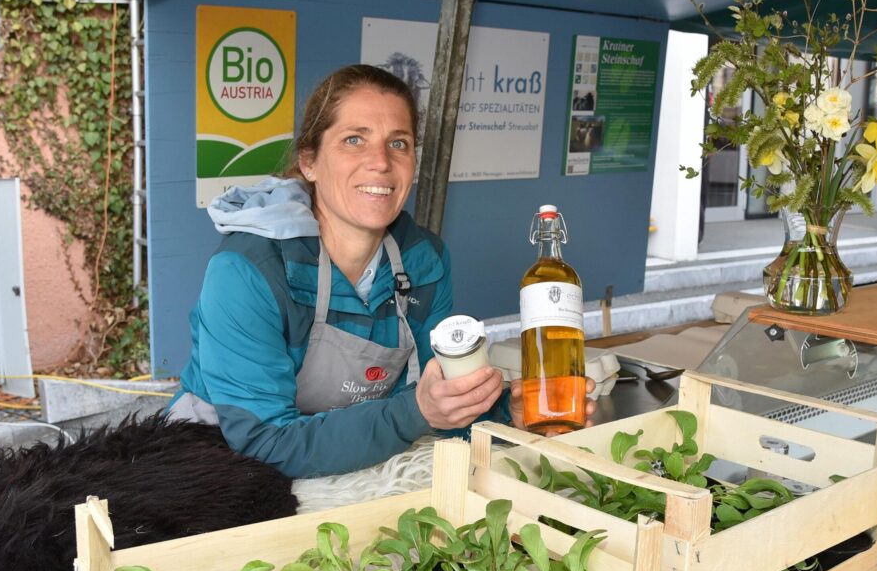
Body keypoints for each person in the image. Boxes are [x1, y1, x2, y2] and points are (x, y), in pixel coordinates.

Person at [170, 64, 594, 478]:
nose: (380, 162)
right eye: (354, 139)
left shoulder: (424, 261)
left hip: (355, 456)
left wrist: (504, 411)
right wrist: (414, 412)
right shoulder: (249, 270)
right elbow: (265, 442)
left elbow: (441, 391)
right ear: (310, 162)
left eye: (399, 143)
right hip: (218, 462)